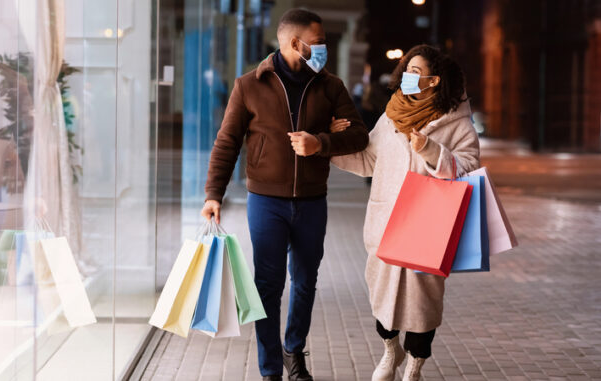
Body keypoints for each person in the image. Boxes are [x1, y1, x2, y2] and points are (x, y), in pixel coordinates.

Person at [201, 8, 369, 381]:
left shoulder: (330, 86)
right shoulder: (249, 85)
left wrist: (321, 142)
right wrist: (214, 193)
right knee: (268, 285)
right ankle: (270, 369)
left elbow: (359, 135)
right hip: (266, 201)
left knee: (306, 281)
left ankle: (294, 349)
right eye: (319, 42)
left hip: (312, 201)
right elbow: (226, 142)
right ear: (296, 43)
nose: (323, 47)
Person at [330, 44, 480, 381]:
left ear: (434, 80)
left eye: (416, 71)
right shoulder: (391, 115)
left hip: (429, 225)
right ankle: (389, 349)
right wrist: (329, 149)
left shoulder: (456, 121)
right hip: (386, 222)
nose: (408, 76)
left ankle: (415, 364)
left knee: (422, 302)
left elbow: (468, 167)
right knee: (382, 294)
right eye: (407, 69)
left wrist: (430, 149)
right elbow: (369, 160)